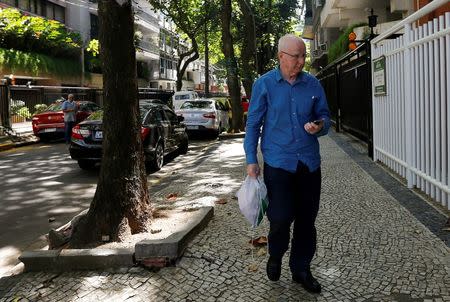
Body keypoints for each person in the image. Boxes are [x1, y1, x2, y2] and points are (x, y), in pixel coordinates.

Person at [244, 34, 330, 294]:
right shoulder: (264, 84)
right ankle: (276, 253)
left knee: (306, 220)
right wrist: (251, 160)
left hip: (308, 164)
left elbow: (325, 117)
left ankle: (301, 268)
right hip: (278, 163)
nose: (301, 61)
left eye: (304, 56)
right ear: (281, 57)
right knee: (280, 217)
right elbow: (253, 125)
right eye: (296, 56)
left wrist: (319, 126)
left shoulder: (313, 84)